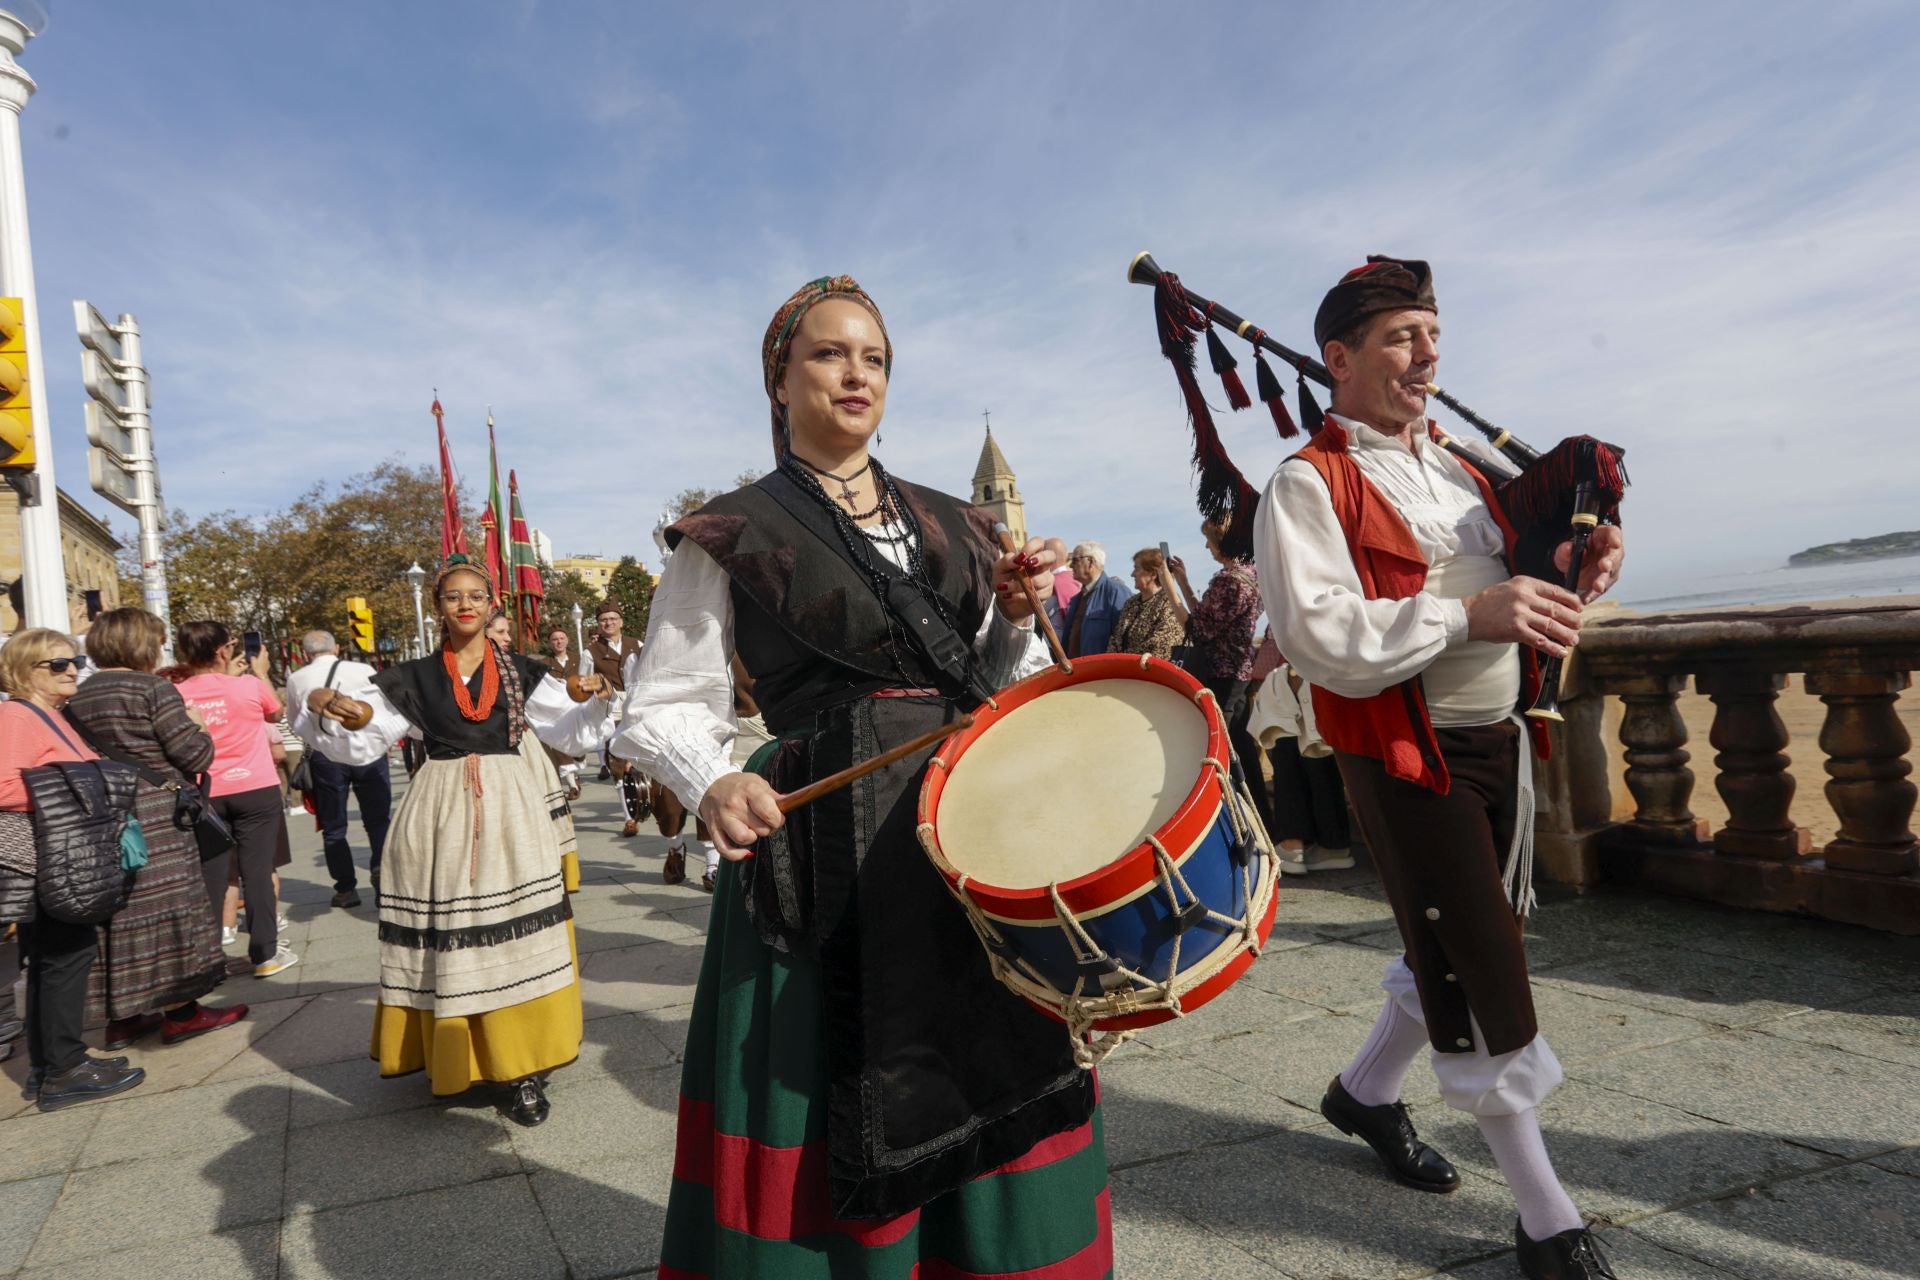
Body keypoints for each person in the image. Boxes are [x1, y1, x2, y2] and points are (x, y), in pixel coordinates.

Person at [619, 275, 1108, 1277]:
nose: (857, 373)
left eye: (875, 358)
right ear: (781, 377)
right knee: (850, 1078)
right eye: (831, 354)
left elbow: (992, 685)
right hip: (823, 845)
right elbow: (662, 704)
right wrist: (712, 777)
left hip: (970, 835)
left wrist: (1014, 613)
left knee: (994, 1059)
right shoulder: (731, 531)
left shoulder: (954, 519)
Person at [1253, 256, 1624, 1279]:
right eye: (1402, 337)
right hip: (1404, 751)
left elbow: (1530, 563)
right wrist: (1473, 612)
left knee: (1461, 934)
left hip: (1497, 736)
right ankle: (1547, 1218)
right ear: (1340, 357)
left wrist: (1582, 557)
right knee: (1477, 960)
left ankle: (1364, 1093)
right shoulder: (1305, 484)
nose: (1428, 355)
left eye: (1433, 334)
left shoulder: (1464, 467)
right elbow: (1319, 633)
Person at [308, 558, 611, 1125]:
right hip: (439, 810)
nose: (465, 605)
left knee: (514, 937)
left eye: (475, 595)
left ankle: (523, 1069)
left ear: (493, 603)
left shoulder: (523, 669)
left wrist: (595, 697)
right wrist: (328, 709)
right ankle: (455, 1055)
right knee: (450, 933)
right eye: (452, 597)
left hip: (512, 810)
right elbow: (370, 734)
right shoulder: (414, 676)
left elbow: (569, 732)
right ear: (439, 606)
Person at [65, 608, 248, 1052]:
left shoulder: (78, 695)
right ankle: (182, 1012)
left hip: (104, 815)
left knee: (119, 913)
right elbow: (194, 755)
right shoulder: (152, 689)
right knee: (172, 907)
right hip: (157, 819)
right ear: (142, 644)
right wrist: (200, 727)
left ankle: (124, 1017)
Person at [0, 628, 147, 1109]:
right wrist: (75, 791)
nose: (72, 671)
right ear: (24, 671)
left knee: (56, 958)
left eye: (75, 661)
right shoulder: (18, 717)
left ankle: (55, 1065)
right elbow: (3, 787)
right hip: (44, 857)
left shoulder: (50, 715)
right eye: (57, 664)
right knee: (64, 957)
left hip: (61, 854)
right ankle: (63, 1069)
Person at [174, 622, 298, 978]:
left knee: (211, 876)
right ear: (224, 651)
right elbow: (276, 713)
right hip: (255, 788)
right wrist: (260, 671)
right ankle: (265, 954)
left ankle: (211, 958)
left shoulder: (177, 693)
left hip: (207, 791)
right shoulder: (248, 686)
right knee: (257, 871)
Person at [1169, 517, 1271, 833]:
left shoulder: (1228, 581)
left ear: (1221, 543)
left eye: (1209, 541)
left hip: (1221, 674)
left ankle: (1238, 822)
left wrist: (1170, 588)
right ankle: (1262, 821)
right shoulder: (1252, 575)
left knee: (1222, 750)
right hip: (1238, 673)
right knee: (1241, 747)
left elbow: (1197, 629)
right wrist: (1185, 583)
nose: (1206, 548)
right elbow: (1209, 618)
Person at [286, 629, 392, 908]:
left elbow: (295, 724)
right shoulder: (362, 668)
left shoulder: (297, 679)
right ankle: (382, 872)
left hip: (326, 756)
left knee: (334, 826)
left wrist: (318, 739)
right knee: (378, 820)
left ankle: (345, 889)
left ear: (307, 654)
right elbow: (380, 708)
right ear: (337, 649)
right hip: (369, 752)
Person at [484, 611, 582, 892]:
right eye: (500, 632)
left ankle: (545, 874)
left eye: (507, 631)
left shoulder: (519, 668)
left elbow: (560, 710)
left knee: (533, 816)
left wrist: (598, 697)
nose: (507, 638)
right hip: (481, 760)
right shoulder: (452, 668)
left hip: (521, 750)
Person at [1245, 629, 1353, 875]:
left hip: (1308, 667)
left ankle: (1293, 841)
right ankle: (1332, 842)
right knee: (1317, 749)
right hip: (1334, 666)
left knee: (1290, 735)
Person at [587, 600, 646, 834]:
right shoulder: (590, 653)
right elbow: (584, 684)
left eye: (612, 618)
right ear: (598, 624)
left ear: (621, 621)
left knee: (646, 756)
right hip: (612, 712)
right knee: (618, 764)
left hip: (639, 706)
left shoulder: (637, 644)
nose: (608, 622)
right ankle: (629, 817)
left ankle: (645, 802)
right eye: (603, 620)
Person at [1106, 546, 1187, 660]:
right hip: (1123, 670)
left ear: (1153, 574)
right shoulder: (1131, 603)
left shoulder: (1168, 601)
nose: (1132, 574)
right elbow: (1116, 638)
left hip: (1150, 672)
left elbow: (1163, 642)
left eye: (1137, 569)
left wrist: (1131, 660)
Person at [1059, 540, 1132, 659]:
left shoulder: (1115, 592)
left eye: (1075, 560)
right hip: (1076, 671)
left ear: (1091, 562)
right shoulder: (1077, 599)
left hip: (1102, 672)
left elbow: (1125, 639)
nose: (1071, 566)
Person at [542, 624, 583, 801]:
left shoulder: (579, 659)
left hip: (579, 707)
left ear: (567, 640)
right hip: (558, 710)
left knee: (578, 747)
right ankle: (572, 785)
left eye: (561, 638)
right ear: (550, 643)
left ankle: (577, 765)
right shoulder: (544, 664)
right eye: (554, 639)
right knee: (561, 745)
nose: (558, 642)